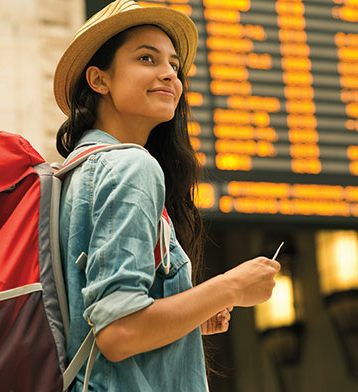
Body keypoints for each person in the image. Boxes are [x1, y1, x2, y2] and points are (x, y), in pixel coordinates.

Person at [54, 0, 280, 391]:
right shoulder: (131, 167)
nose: (169, 76)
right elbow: (119, 333)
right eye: (147, 58)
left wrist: (193, 312)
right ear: (99, 80)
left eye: (174, 66)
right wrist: (230, 287)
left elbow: (95, 323)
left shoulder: (74, 173)